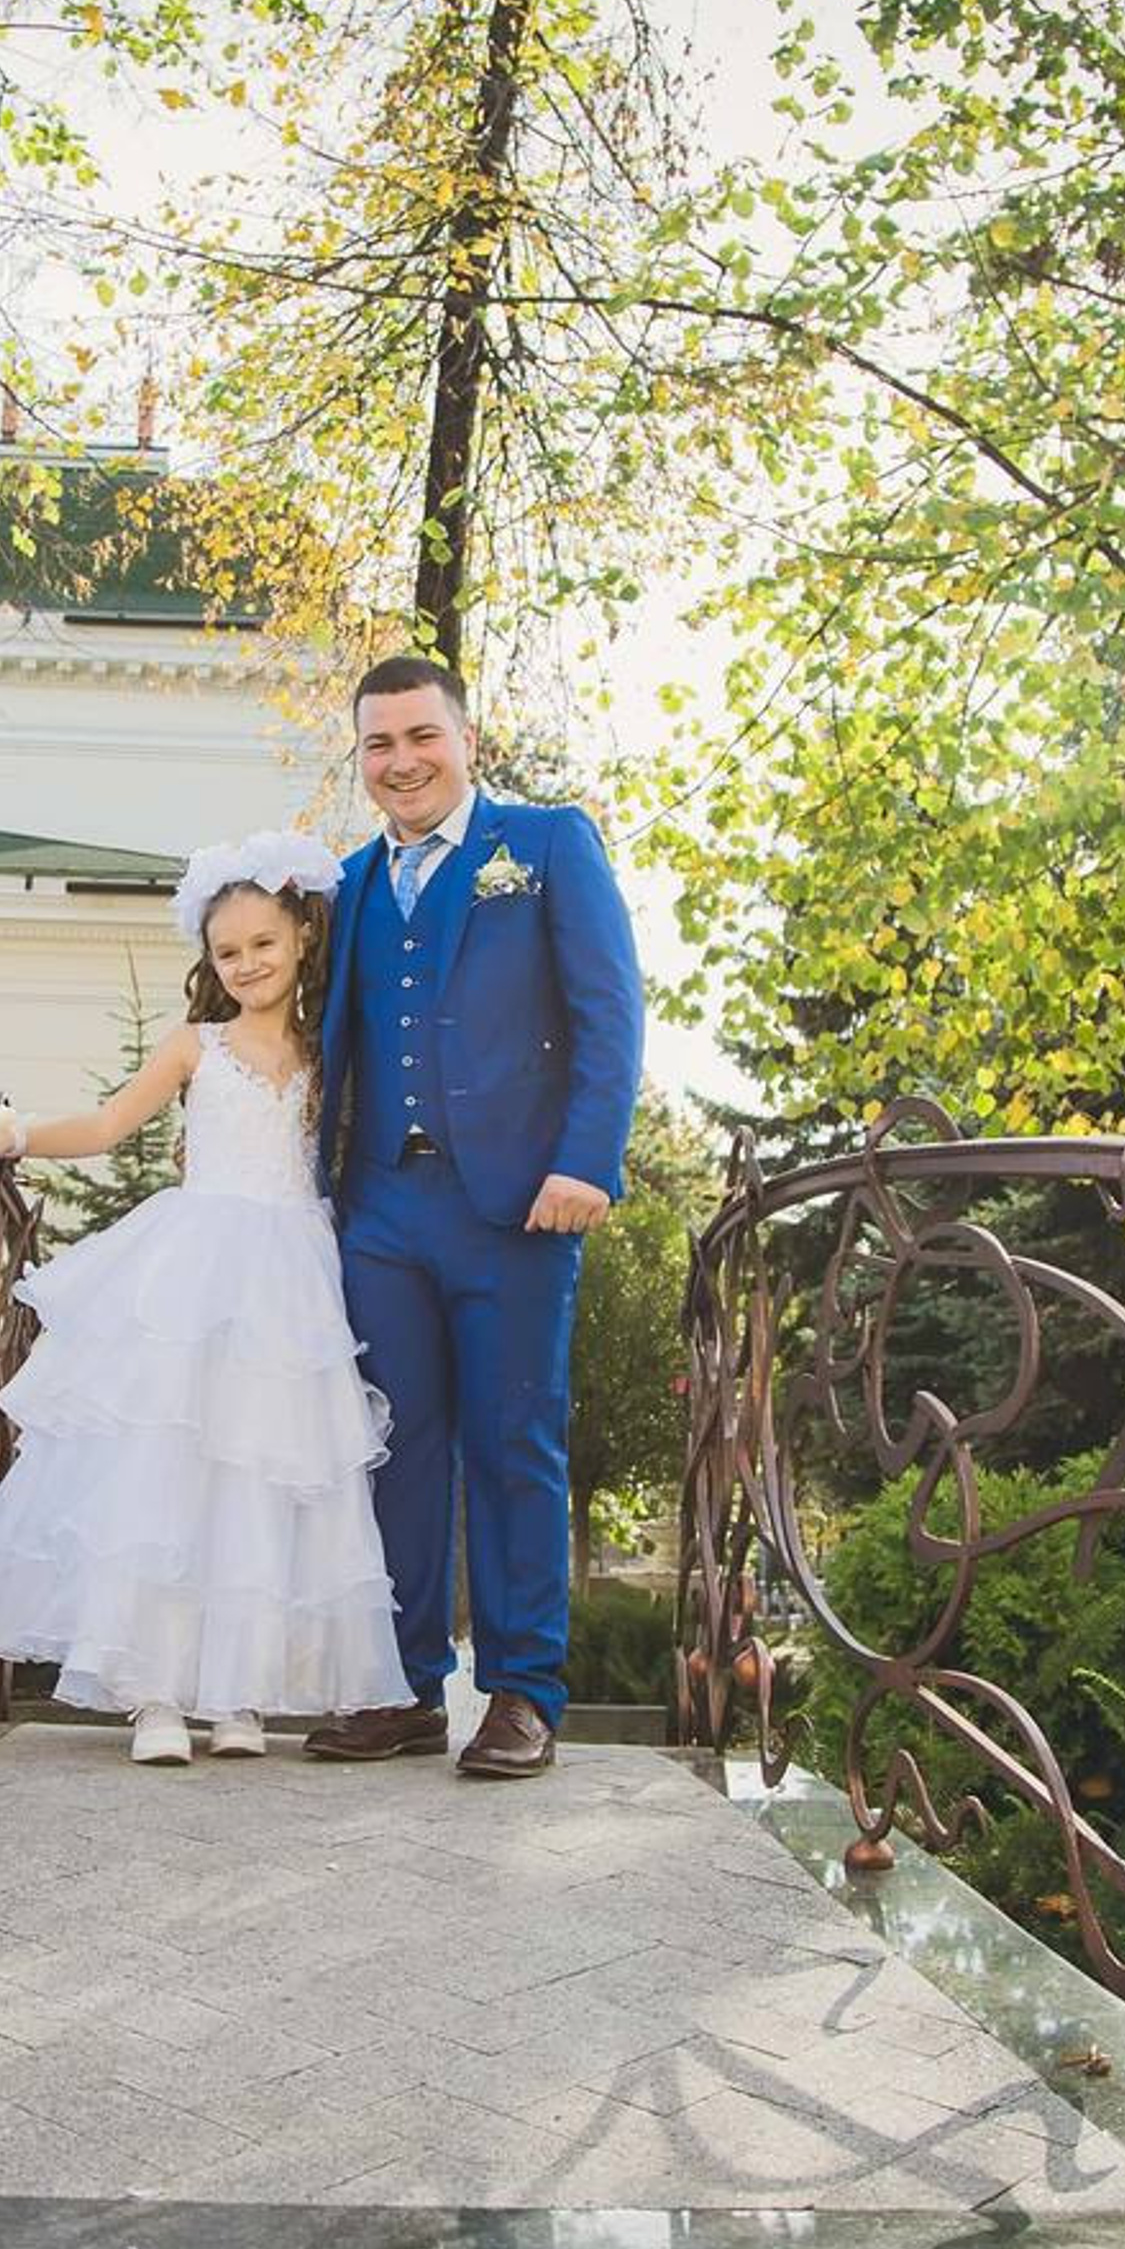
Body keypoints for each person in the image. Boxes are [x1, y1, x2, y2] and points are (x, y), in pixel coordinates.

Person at [0, 830, 412, 1765]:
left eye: (264, 944)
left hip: (291, 1287)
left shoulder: (329, 1054)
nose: (247, 964)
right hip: (195, 1274)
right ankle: (154, 1695)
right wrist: (17, 1131)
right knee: (170, 1481)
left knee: (262, 1483)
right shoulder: (197, 1047)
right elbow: (109, 1123)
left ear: (304, 938)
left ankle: (239, 1695)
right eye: (227, 951)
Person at [305, 656, 644, 1780]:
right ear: (360, 758)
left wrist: (587, 1160)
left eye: (421, 736)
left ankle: (522, 1692)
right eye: (379, 743)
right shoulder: (347, 884)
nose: (401, 761)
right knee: (394, 1449)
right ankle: (403, 1688)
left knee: (514, 1443)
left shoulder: (545, 846)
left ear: (465, 740)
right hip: (380, 1211)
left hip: (517, 1205)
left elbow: (609, 1010)